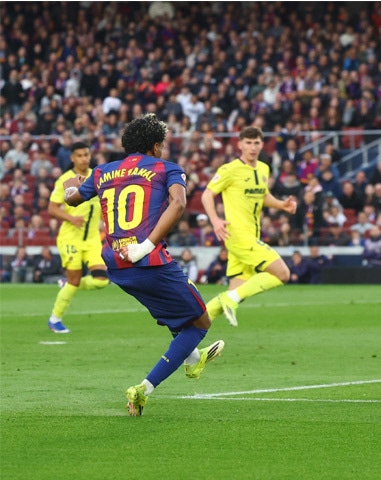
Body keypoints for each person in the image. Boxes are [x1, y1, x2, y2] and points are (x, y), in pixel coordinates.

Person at [64, 114, 224, 416]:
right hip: (150, 262)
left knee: (178, 319)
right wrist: (146, 246)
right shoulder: (167, 169)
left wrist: (71, 187)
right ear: (154, 146)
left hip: (117, 267)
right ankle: (143, 389)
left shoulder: (102, 172)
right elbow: (178, 204)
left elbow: (72, 199)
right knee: (201, 322)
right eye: (161, 145)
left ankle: (192, 360)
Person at [201, 126, 297, 327]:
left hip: (251, 235)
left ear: (262, 145)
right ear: (240, 145)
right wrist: (215, 220)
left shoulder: (263, 168)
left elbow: (262, 196)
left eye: (256, 143)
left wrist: (281, 205)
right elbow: (207, 194)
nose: (252, 147)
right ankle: (230, 301)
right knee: (282, 274)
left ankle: (192, 328)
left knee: (235, 292)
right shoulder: (229, 170)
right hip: (237, 235)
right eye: (248, 143)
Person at [46, 142, 109, 333]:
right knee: (75, 279)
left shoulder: (96, 177)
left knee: (101, 281)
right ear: (72, 158)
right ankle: (55, 319)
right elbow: (52, 208)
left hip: (91, 240)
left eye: (86, 154)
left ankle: (68, 284)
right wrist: (71, 218)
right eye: (80, 155)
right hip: (70, 239)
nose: (84, 158)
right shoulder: (65, 180)